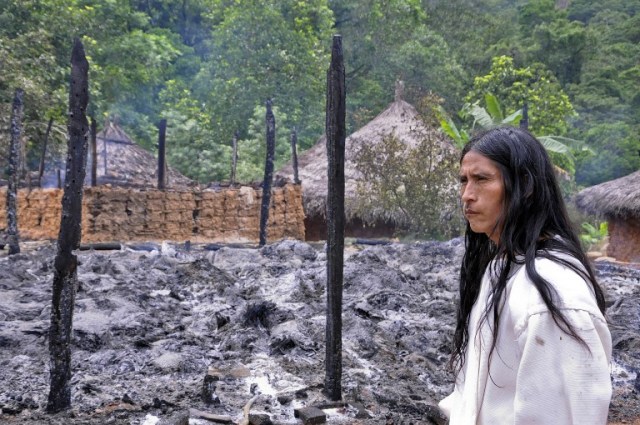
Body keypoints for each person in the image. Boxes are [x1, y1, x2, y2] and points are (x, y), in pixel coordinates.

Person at [439, 127, 612, 424]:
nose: (466, 195)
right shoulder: (502, 268)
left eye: (482, 179)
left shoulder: (553, 293)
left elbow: (565, 415)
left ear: (525, 186)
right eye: (464, 180)